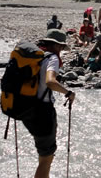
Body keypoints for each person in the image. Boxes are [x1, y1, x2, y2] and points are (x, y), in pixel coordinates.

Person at [26, 29, 76, 178]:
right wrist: (68, 93)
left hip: (29, 108)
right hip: (43, 111)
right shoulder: (52, 58)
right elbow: (50, 81)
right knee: (46, 158)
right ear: (57, 45)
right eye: (61, 47)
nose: (61, 50)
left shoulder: (34, 56)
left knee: (44, 155)